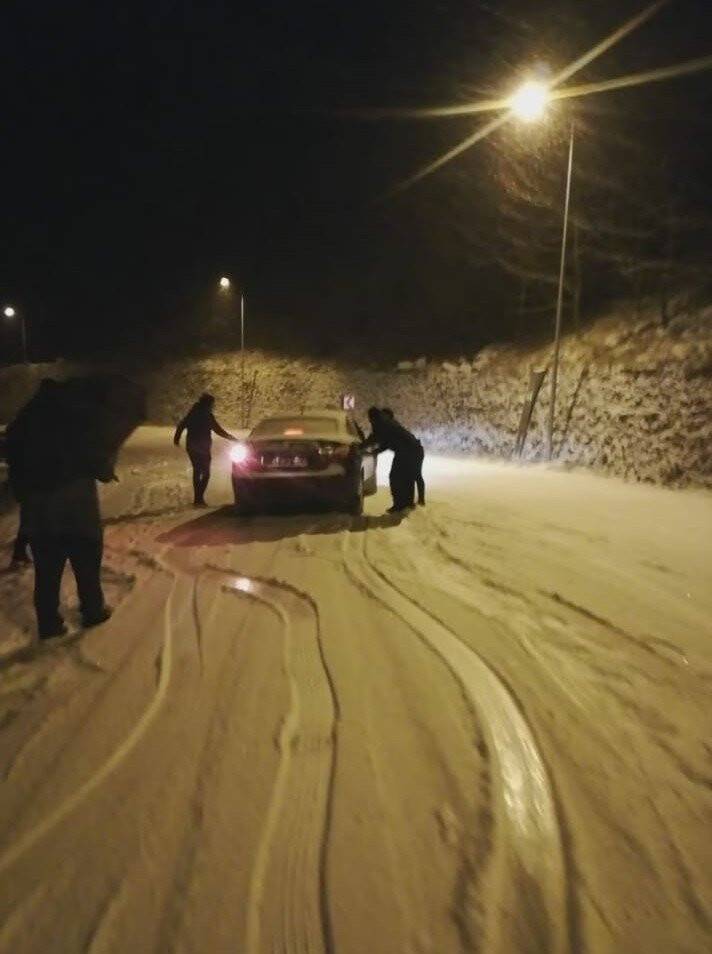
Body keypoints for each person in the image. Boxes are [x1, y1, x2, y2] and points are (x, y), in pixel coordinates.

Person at [6, 378, 120, 640]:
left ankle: (49, 624)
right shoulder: (79, 426)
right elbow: (102, 470)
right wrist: (107, 461)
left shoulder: (22, 427)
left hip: (42, 518)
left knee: (46, 575)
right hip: (79, 514)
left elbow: (17, 480)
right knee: (87, 567)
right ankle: (92, 611)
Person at [174, 393, 236, 507]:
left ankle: (198, 498)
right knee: (206, 473)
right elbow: (218, 430)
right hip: (202, 447)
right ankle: (199, 498)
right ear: (207, 404)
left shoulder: (193, 414)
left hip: (192, 446)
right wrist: (232, 438)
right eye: (212, 404)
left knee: (197, 471)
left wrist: (176, 439)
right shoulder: (207, 416)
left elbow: (181, 426)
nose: (213, 406)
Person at [365, 406, 422, 513]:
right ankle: (407, 503)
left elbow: (374, 438)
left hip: (407, 451)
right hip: (413, 449)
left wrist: (360, 447)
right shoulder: (387, 423)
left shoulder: (380, 424)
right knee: (407, 478)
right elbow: (387, 441)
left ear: (372, 417)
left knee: (396, 477)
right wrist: (377, 451)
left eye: (369, 418)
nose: (369, 420)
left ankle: (399, 505)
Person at [382, 407, 425, 506]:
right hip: (408, 452)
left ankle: (420, 500)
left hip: (414, 452)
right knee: (408, 476)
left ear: (388, 417)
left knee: (415, 475)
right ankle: (405, 503)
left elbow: (387, 443)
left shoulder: (392, 427)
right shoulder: (389, 427)